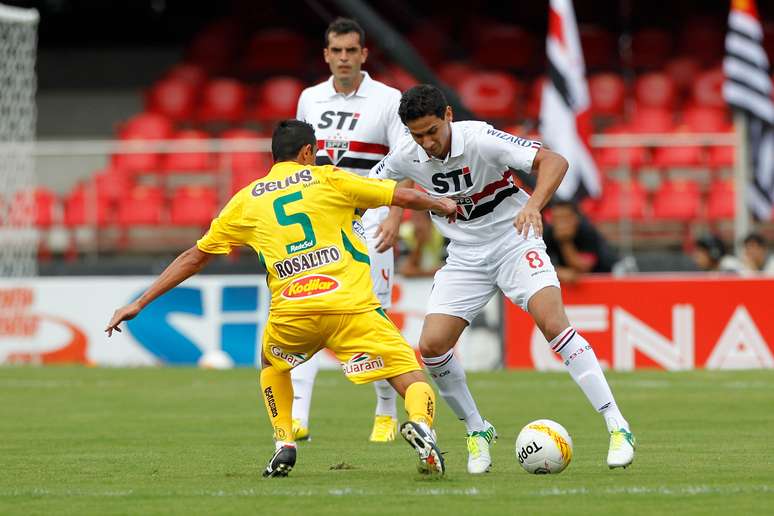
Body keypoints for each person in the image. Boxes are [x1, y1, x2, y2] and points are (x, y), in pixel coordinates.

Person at [105, 120, 456, 477]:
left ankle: (284, 442)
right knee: (410, 378)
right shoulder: (328, 178)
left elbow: (194, 257)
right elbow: (401, 195)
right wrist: (442, 204)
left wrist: (140, 302)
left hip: (292, 312)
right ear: (307, 152)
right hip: (350, 306)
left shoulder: (245, 200)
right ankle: (421, 425)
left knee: (272, 364)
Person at [371, 85, 636, 474]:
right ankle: (478, 430)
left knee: (553, 324)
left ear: (448, 115)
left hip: (514, 240)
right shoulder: (406, 155)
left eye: (431, 131)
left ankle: (617, 424)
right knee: (431, 346)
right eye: (417, 135)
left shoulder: (479, 137)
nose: (427, 142)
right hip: (464, 257)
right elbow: (372, 187)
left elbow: (555, 161)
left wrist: (532, 205)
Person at [292, 17, 407, 442]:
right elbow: (300, 159)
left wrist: (396, 214)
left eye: (351, 51)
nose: (343, 58)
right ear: (326, 54)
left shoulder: (388, 99)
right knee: (306, 310)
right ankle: (299, 414)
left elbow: (407, 157)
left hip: (372, 218)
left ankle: (386, 406)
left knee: (373, 316)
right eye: (336, 51)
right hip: (322, 221)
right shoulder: (309, 98)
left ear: (364, 54)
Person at [543, 200, 617, 283]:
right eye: (557, 218)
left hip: (601, 279)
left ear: (576, 218)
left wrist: (565, 242)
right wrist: (558, 272)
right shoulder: (547, 234)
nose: (561, 223)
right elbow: (541, 266)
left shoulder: (588, 232)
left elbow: (583, 268)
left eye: (566, 218)